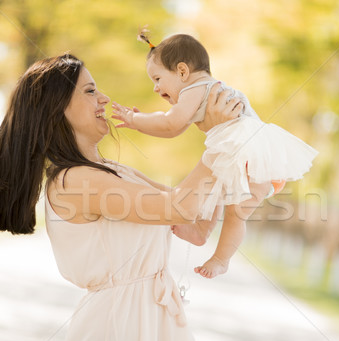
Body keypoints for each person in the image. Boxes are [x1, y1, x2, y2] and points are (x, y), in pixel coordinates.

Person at [0, 53, 242, 341]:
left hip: (158, 326)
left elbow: (195, 225)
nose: (103, 98)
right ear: (57, 109)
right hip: (118, 333)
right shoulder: (73, 181)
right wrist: (218, 141)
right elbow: (179, 207)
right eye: (89, 92)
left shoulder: (116, 172)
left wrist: (236, 167)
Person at [112, 32, 318, 279]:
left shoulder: (196, 89)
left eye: (157, 79)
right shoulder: (206, 90)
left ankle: (221, 258)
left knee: (234, 212)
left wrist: (136, 120)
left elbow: (170, 124)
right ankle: (202, 230)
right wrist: (144, 122)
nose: (156, 88)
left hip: (249, 158)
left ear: (182, 71)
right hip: (251, 158)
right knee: (223, 198)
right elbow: (172, 126)